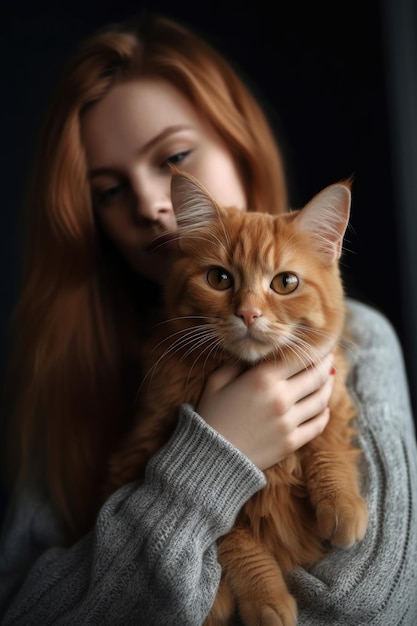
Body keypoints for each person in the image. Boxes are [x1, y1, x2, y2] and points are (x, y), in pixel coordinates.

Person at [0, 12, 416, 626]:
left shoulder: (362, 338)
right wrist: (209, 463)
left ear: (238, 140)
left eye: (173, 157)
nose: (151, 203)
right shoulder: (71, 370)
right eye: (109, 189)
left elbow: (378, 605)